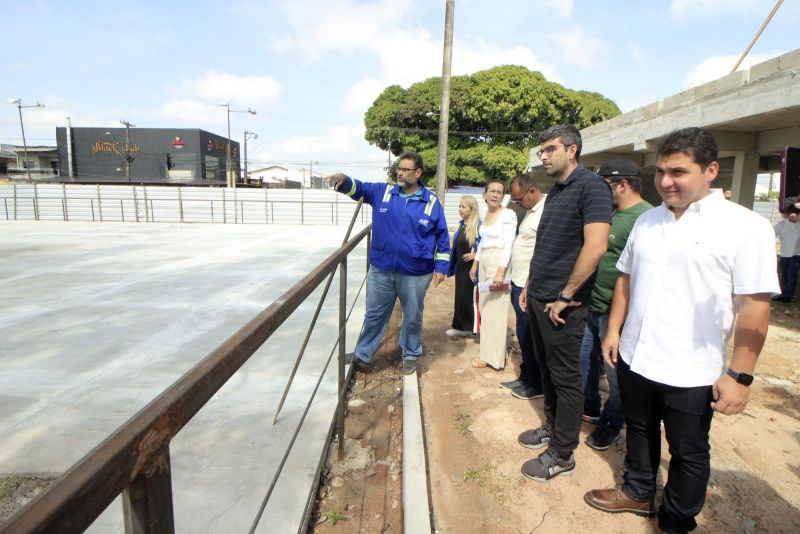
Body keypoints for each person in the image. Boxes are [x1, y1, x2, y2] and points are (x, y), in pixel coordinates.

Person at [585, 128, 780, 533]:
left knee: (688, 449)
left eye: (678, 171)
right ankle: (638, 492)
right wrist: (614, 330)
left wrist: (739, 375)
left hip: (692, 368)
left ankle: (676, 518)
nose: (666, 181)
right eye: (660, 172)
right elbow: (625, 278)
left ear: (710, 170)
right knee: (639, 428)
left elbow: (755, 308)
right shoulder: (648, 221)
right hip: (637, 354)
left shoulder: (745, 227)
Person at [517, 124, 612, 482]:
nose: (543, 156)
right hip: (541, 296)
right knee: (546, 370)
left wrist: (565, 296)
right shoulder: (556, 192)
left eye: (550, 149)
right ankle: (553, 429)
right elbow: (545, 245)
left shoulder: (592, 188)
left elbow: (596, 246)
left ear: (571, 150)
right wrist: (529, 284)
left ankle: (562, 452)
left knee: (565, 377)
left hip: (564, 306)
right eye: (542, 151)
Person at [327, 152, 450, 375]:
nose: (400, 173)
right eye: (398, 169)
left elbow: (442, 237)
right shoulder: (383, 193)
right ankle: (363, 354)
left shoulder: (431, 203)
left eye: (405, 170)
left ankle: (411, 353)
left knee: (412, 316)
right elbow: (359, 188)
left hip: (416, 273)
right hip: (381, 269)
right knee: (374, 314)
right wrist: (343, 180)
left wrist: (441, 268)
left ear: (418, 173)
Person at [579, 159, 653, 450]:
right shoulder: (609, 213)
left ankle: (612, 421)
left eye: (605, 186)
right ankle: (590, 407)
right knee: (585, 361)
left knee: (616, 374)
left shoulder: (645, 218)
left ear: (623, 184)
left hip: (618, 314)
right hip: (592, 305)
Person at [501, 172, 546, 400]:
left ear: (531, 190)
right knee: (523, 333)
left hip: (530, 286)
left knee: (528, 335)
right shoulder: (530, 212)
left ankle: (535, 383)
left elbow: (543, 252)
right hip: (518, 282)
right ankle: (526, 376)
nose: (517, 204)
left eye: (519, 199)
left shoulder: (546, 210)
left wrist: (529, 285)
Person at [469, 178, 516, 370]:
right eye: (492, 191)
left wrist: (500, 273)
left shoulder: (508, 214)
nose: (496, 194)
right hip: (485, 263)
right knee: (486, 310)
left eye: (499, 192)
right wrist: (475, 265)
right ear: (484, 195)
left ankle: (494, 359)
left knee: (496, 311)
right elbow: (482, 243)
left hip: (498, 263)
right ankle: (491, 353)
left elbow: (508, 245)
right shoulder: (486, 215)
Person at [446, 195, 481, 337]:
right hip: (461, 268)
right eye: (459, 206)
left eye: (463, 207)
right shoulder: (461, 224)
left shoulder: (478, 225)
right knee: (460, 297)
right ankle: (461, 327)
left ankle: (472, 328)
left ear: (471, 209)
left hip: (471, 268)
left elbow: (485, 244)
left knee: (469, 298)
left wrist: (475, 255)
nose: (460, 209)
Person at [773, 211, 800, 303]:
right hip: (785, 254)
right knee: (784, 275)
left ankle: (787, 297)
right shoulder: (781, 225)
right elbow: (772, 236)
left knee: (791, 275)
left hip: (797, 254)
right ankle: (784, 294)